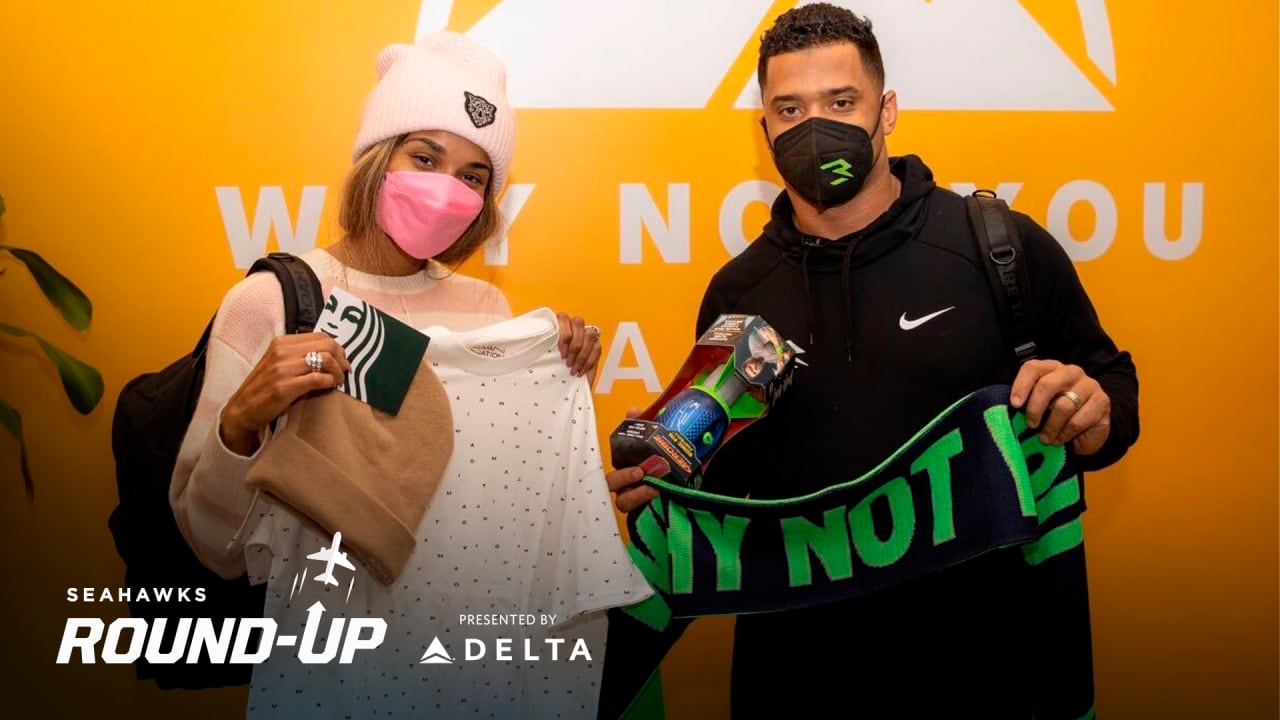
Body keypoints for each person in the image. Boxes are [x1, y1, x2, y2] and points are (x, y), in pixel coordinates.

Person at [604, 4, 1139, 718]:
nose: (813, 125)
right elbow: (730, 481)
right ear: (764, 132)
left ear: (887, 111)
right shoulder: (737, 290)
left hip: (985, 674)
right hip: (795, 678)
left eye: (841, 101)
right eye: (788, 107)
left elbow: (1112, 394)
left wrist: (1091, 412)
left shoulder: (997, 248)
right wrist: (667, 479)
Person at [169, 31, 639, 718]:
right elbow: (213, 547)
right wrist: (241, 424)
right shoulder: (271, 302)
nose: (446, 188)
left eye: (474, 175)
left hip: (461, 676)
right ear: (376, 158)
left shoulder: (490, 312)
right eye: (425, 156)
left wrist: (570, 459)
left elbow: (476, 508)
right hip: (327, 674)